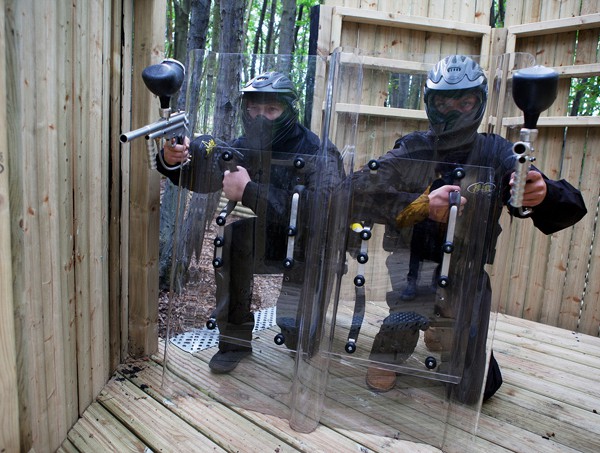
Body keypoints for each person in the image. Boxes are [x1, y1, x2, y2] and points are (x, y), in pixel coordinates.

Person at [351, 55, 587, 403]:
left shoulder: (496, 151)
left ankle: (443, 324)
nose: (454, 110)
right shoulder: (411, 149)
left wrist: (543, 192)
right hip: (411, 270)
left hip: (468, 272)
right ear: (430, 103)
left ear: (479, 102)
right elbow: (356, 191)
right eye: (444, 101)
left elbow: (559, 199)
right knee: (387, 357)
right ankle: (422, 322)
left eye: (465, 101)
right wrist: (420, 205)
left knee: (474, 391)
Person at [157, 71, 343, 373]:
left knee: (301, 339)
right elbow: (207, 176)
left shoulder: (318, 151)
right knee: (233, 239)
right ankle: (234, 341)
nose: (261, 117)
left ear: (289, 110)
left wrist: (249, 191)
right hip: (269, 233)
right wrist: (175, 160)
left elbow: (322, 210)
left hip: (310, 243)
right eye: (254, 109)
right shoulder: (247, 144)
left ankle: (299, 329)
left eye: (271, 110)